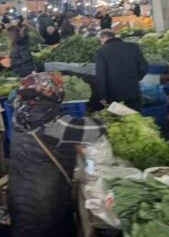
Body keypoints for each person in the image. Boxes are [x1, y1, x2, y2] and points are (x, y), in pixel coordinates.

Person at [9, 73, 106, 237]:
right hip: (45, 201)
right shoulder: (51, 123)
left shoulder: (20, 114)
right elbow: (93, 130)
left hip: (20, 193)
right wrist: (108, 120)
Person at [93, 29, 149, 112]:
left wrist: (102, 96)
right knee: (136, 118)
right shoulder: (133, 47)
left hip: (114, 95)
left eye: (100, 40)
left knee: (119, 120)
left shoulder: (101, 51)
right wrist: (134, 78)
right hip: (133, 91)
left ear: (104, 37)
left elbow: (101, 76)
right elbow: (144, 67)